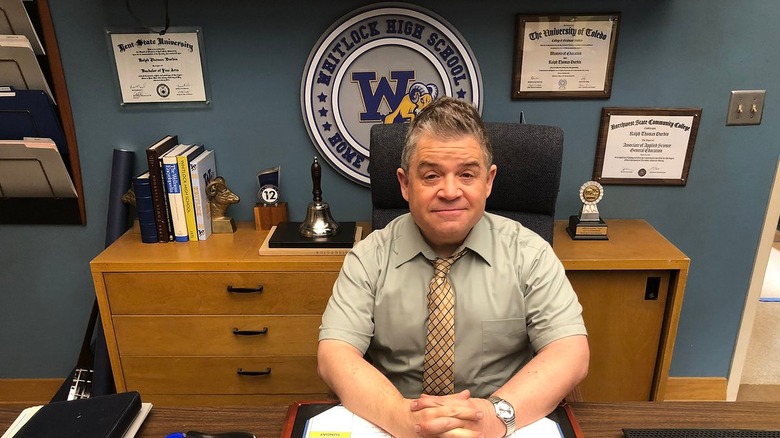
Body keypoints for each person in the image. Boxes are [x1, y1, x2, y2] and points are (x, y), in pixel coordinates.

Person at [317, 97, 589, 438]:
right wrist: (403, 419)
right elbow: (334, 354)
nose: (450, 191)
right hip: (395, 422)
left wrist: (495, 416)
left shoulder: (530, 254)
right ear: (404, 184)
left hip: (500, 421)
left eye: (467, 175)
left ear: (488, 181)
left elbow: (570, 351)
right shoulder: (369, 257)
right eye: (431, 176)